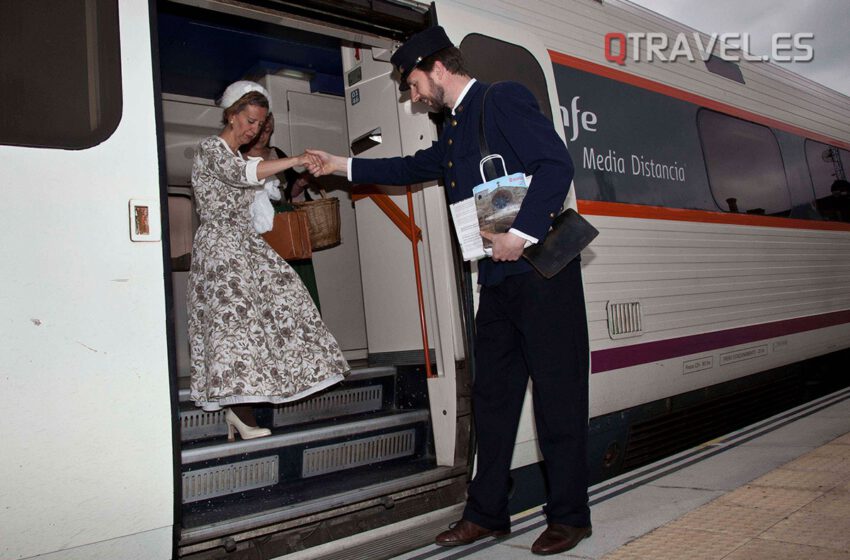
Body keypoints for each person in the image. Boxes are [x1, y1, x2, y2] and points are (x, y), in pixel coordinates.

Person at [308, 27, 591, 555]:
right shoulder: (456, 130)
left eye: (413, 84)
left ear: (437, 68)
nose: (414, 97)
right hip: (500, 281)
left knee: (558, 399)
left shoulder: (500, 99)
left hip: (544, 278)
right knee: (492, 401)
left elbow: (556, 166)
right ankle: (487, 514)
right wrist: (341, 166)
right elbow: (409, 167)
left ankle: (570, 515)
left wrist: (520, 234)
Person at [188, 80, 349, 442]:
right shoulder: (211, 149)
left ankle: (264, 394)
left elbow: (255, 204)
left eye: (259, 124)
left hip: (244, 244)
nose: (253, 129)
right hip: (220, 249)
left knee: (286, 300)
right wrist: (296, 160)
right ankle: (239, 412)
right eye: (248, 120)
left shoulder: (239, 155)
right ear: (230, 115)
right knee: (234, 326)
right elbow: (242, 174)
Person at [242, 113, 322, 310]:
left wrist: (301, 184)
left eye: (268, 132)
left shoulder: (277, 153)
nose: (263, 137)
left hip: (283, 221)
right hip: (255, 225)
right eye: (260, 131)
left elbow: (290, 191)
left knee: (297, 280)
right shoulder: (237, 157)